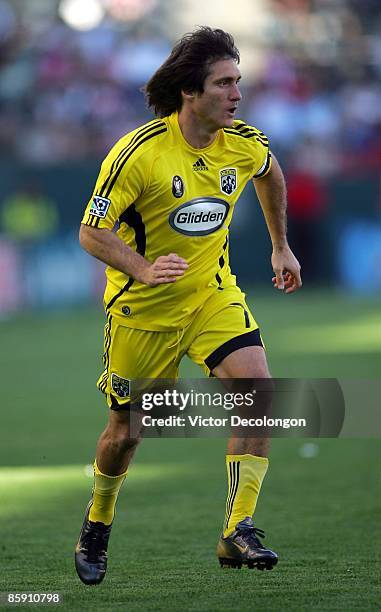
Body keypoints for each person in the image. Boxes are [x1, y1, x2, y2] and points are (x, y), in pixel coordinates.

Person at [75, 26, 302, 586]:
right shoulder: (139, 154)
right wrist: (144, 268)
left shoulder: (242, 142)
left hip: (211, 296)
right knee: (126, 434)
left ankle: (238, 529)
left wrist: (280, 245)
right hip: (144, 312)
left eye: (238, 82)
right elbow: (91, 232)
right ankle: (97, 522)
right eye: (224, 84)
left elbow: (270, 174)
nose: (236, 94)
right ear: (190, 93)